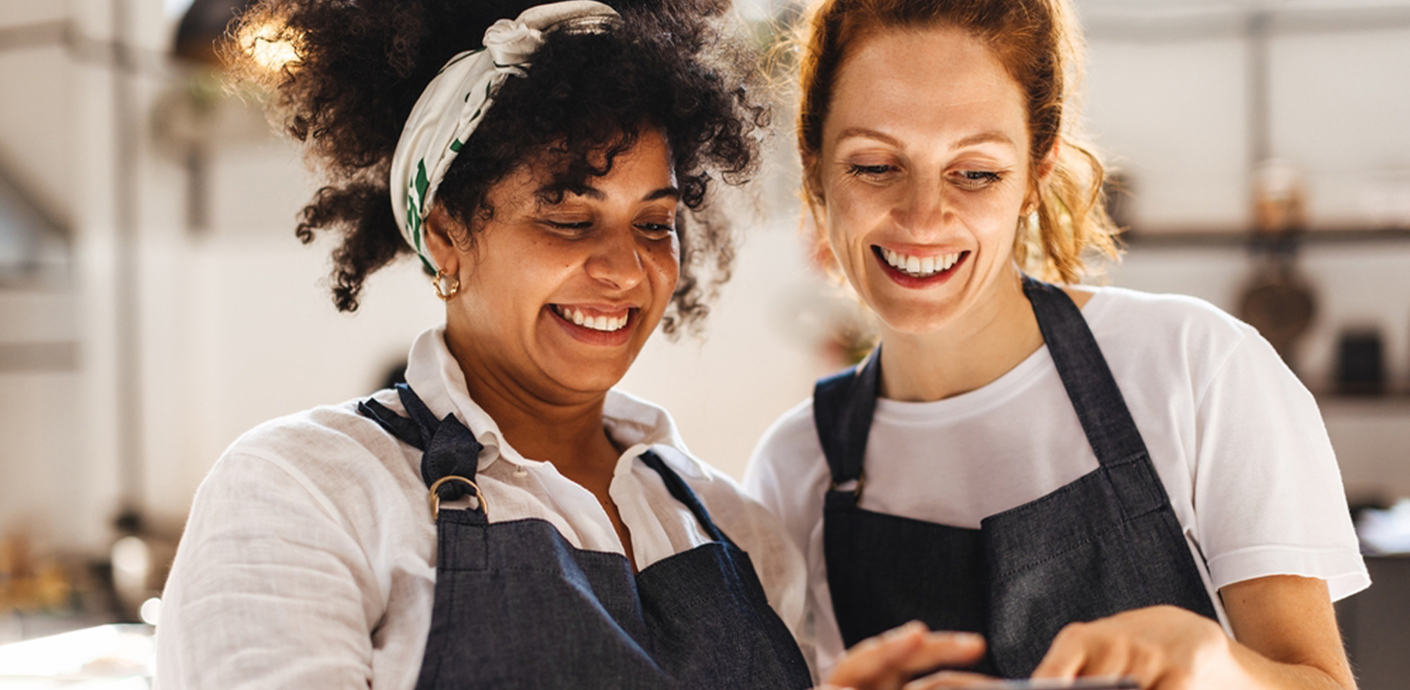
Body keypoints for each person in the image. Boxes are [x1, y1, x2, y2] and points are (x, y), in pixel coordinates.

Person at [155, 0, 983, 688]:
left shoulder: (734, 529)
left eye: (654, 224)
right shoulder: (306, 493)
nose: (625, 269)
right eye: (567, 217)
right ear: (445, 234)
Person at [745, 0, 1369, 688]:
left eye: (975, 172)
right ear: (815, 172)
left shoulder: (1199, 369)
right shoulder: (795, 468)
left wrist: (1215, 666)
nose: (923, 216)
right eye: (872, 165)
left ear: (1035, 179)